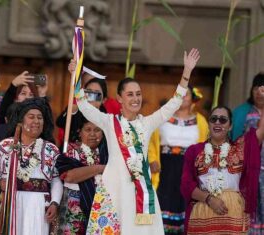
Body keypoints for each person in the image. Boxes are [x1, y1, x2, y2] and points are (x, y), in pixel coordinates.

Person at [75, 49, 200, 234]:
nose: (136, 98)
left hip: (140, 195)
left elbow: (173, 104)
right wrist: (75, 76)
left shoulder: (147, 123)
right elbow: (84, 106)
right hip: (115, 190)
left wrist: (187, 72)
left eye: (138, 94)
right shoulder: (109, 122)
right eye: (130, 94)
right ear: (119, 98)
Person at [181, 105, 264, 234]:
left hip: (233, 217)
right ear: (208, 124)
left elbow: (261, 129)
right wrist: (209, 199)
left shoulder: (240, 148)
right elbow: (186, 185)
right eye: (213, 119)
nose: (217, 122)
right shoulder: (194, 151)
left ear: (230, 126)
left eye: (223, 120)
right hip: (203, 214)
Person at [0, 97, 63, 235]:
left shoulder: (51, 149)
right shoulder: (5, 146)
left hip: (39, 207)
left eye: (40, 118)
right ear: (21, 121)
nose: (36, 121)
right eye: (31, 117)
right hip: (12, 204)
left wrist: (54, 203)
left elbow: (55, 179)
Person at [148, 86, 208, 234]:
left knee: (186, 206)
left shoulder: (201, 121)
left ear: (192, 97)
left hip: (188, 169)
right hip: (165, 169)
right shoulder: (162, 116)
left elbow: (206, 146)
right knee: (163, 205)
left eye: (186, 94)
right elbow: (150, 142)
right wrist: (152, 160)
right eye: (179, 94)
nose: (182, 97)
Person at [56, 117, 108, 234]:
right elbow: (69, 176)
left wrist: (86, 171)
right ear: (79, 132)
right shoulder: (71, 150)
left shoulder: (108, 153)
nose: (92, 134)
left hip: (102, 208)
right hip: (74, 209)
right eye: (88, 130)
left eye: (97, 130)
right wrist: (101, 168)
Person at [231, 72, 264, 234]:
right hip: (248, 172)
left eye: (263, 88)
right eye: (256, 88)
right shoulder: (241, 112)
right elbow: (234, 142)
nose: (259, 92)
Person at [0, 71, 54, 143]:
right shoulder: (11, 114)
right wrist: (13, 86)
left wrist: (42, 94)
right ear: (16, 98)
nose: (27, 97)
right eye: (23, 93)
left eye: (31, 94)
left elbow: (48, 125)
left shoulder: (38, 112)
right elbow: (2, 116)